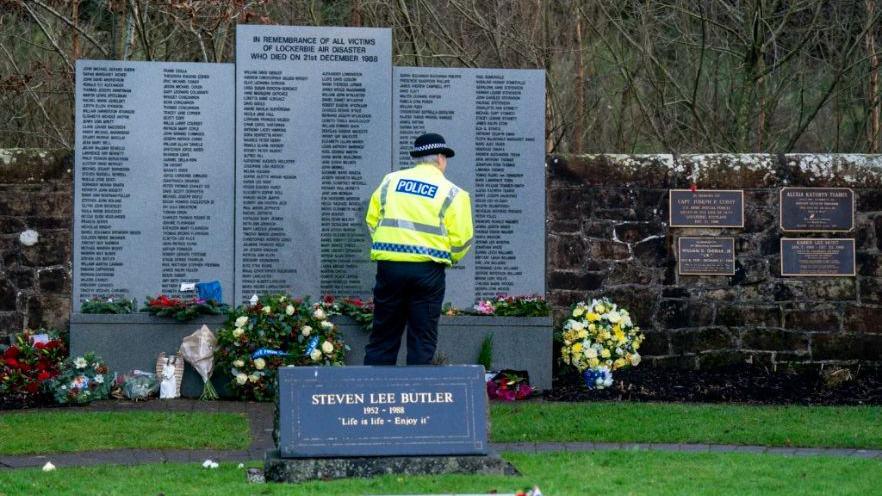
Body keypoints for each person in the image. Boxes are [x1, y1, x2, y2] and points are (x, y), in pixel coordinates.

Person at [363, 133, 473, 365]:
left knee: (383, 336)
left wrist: (390, 245)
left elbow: (373, 220)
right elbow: (462, 240)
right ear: (441, 159)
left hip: (389, 268)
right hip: (428, 271)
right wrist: (445, 256)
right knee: (422, 338)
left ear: (417, 158)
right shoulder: (453, 193)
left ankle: (372, 392)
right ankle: (417, 395)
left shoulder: (390, 182)